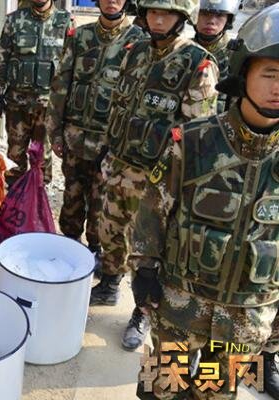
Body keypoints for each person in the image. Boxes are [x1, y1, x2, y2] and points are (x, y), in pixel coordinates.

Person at [129, 5, 279, 398]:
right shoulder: (192, 141)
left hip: (247, 321)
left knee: (217, 392)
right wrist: (143, 269)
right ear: (244, 73)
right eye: (270, 74)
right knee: (162, 388)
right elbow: (152, 210)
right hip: (179, 308)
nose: (278, 87)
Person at [93, 0, 219, 351]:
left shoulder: (198, 63)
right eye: (152, 12)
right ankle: (109, 284)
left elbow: (197, 135)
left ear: (181, 17)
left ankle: (143, 311)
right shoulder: (135, 52)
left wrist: (179, 187)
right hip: (120, 165)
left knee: (147, 252)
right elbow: (119, 106)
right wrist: (107, 146)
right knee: (110, 230)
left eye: (166, 13)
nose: (158, 19)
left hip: (157, 180)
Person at [46, 0, 146, 262]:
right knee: (72, 197)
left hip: (110, 145)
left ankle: (95, 252)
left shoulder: (139, 42)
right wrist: (55, 132)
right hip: (75, 138)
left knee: (102, 202)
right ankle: (69, 248)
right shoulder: (80, 36)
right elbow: (60, 85)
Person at [0, 0, 74, 185]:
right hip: (17, 106)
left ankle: (37, 197)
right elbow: (1, 60)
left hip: (48, 108)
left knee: (42, 159)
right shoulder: (14, 20)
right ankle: (15, 196)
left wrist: (67, 105)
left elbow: (71, 67)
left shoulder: (65, 22)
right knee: (14, 157)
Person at [194, 0, 240, 113]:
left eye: (219, 15)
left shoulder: (237, 55)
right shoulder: (181, 49)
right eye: (204, 14)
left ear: (228, 19)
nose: (211, 21)